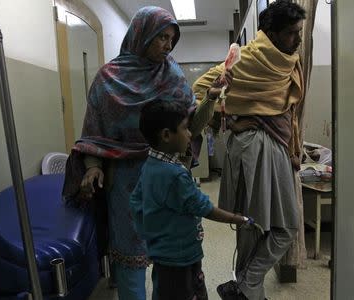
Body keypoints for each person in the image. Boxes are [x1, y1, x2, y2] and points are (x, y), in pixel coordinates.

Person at [62, 6, 232, 300]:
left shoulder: (173, 74)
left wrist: (211, 99)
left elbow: (191, 126)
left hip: (169, 177)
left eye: (171, 39)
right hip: (126, 181)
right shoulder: (107, 79)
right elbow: (93, 134)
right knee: (131, 259)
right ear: (141, 35)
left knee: (175, 255)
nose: (167, 45)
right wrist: (93, 166)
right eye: (161, 37)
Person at [192, 1, 307, 299]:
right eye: (292, 33)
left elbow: (288, 110)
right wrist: (226, 116)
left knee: (277, 226)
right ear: (272, 33)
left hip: (276, 144)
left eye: (300, 32)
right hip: (251, 146)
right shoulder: (247, 57)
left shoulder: (290, 59)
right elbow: (199, 89)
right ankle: (248, 289)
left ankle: (244, 284)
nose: (298, 39)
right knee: (254, 226)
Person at [130, 100, 253, 300]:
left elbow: (135, 202)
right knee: (186, 293)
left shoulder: (150, 165)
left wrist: (151, 233)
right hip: (180, 257)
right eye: (185, 128)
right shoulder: (174, 175)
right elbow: (204, 207)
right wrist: (238, 218)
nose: (189, 134)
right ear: (167, 135)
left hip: (162, 254)